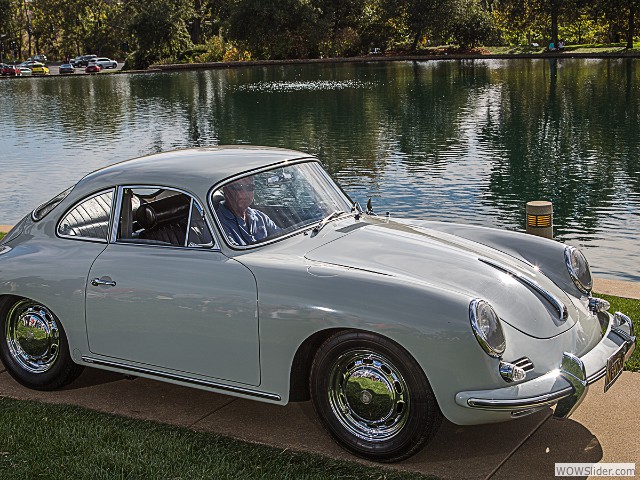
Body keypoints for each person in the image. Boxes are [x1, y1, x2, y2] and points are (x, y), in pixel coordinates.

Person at [216, 176, 280, 245]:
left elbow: (280, 236)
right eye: (238, 187)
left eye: (249, 187)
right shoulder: (217, 223)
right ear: (226, 190)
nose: (244, 192)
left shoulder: (261, 217)